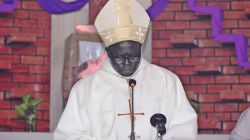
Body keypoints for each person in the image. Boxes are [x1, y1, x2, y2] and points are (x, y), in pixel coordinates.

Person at [54, 0, 197, 139]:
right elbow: (69, 135)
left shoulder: (166, 81)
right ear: (108, 52)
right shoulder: (85, 89)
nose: (127, 63)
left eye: (133, 56)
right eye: (120, 57)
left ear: (140, 50)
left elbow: (184, 128)